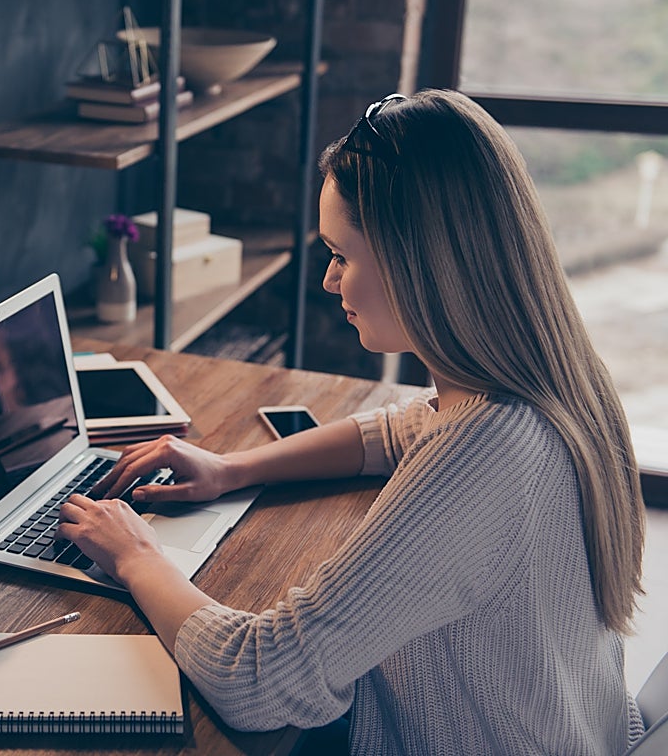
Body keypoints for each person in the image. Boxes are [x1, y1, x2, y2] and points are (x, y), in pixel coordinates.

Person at [57, 89, 647, 755]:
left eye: (342, 254)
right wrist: (231, 469)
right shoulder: (556, 378)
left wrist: (138, 556)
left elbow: (263, 680)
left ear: (420, 262)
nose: (329, 281)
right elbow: (401, 429)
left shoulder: (485, 449)